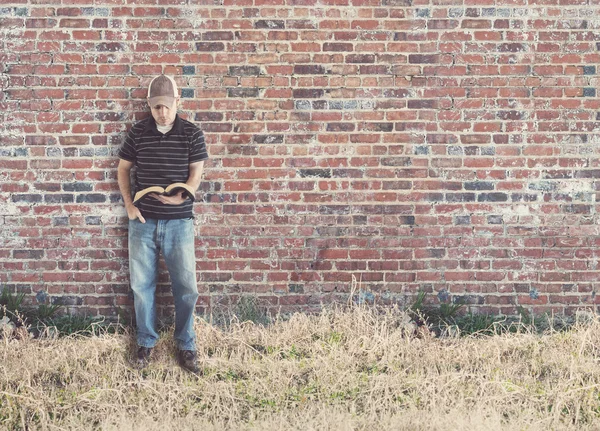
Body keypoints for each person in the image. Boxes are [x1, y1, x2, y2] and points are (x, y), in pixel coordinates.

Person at [117, 74, 208, 373]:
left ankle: (186, 344)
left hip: (179, 222)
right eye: (157, 107)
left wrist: (184, 195)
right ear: (149, 105)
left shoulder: (192, 133)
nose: (162, 113)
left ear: (177, 101)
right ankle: (145, 342)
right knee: (142, 287)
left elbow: (196, 171)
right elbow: (123, 169)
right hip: (142, 221)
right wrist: (130, 205)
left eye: (167, 107)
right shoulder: (139, 131)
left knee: (187, 287)